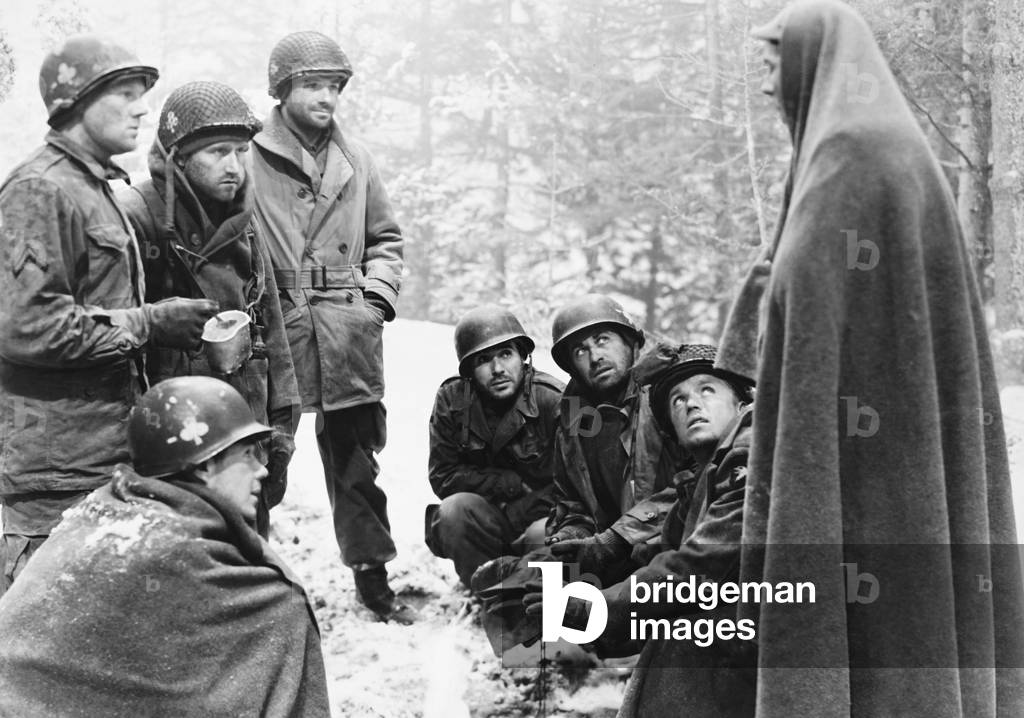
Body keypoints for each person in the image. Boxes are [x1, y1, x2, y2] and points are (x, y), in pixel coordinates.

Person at [715, 1, 1024, 715]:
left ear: (812, 61)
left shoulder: (856, 152)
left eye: (773, 64)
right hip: (887, 442)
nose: (765, 84)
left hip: (872, 448)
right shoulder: (851, 147)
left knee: (880, 614)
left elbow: (812, 290)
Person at [0, 36, 217, 593]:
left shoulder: (93, 188)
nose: (142, 108)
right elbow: (27, 329)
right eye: (125, 93)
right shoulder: (40, 190)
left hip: (100, 459)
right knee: (43, 631)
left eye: (142, 94)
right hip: (56, 473)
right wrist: (151, 324)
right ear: (75, 103)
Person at [0, 376, 330, 717]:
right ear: (204, 465)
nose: (260, 470)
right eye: (246, 455)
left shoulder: (96, 516)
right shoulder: (259, 595)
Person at [250, 30, 408, 622]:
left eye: (334, 86)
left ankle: (373, 576)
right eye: (313, 85)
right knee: (261, 460)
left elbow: (386, 239)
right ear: (282, 88)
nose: (326, 97)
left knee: (357, 463)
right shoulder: (247, 154)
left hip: (347, 327)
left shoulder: (356, 159)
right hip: (279, 326)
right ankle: (249, 580)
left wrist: (376, 300)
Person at [526, 343, 757, 716]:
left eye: (707, 390)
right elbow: (662, 570)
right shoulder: (698, 482)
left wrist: (597, 609)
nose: (691, 404)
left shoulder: (754, 455)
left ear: (741, 403)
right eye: (678, 401)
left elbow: (700, 568)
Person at [118, 80, 300, 538]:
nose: (234, 166)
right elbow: (113, 339)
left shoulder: (245, 222)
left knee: (245, 558)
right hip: (171, 444)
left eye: (241, 151)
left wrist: (281, 430)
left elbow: (272, 330)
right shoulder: (136, 217)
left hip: (242, 434)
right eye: (218, 152)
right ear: (178, 157)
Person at [544, 294, 681, 582]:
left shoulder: (670, 393)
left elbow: (696, 486)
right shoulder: (573, 423)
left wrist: (616, 539)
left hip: (677, 551)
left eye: (603, 340)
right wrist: (572, 533)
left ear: (631, 342)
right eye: (580, 351)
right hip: (615, 559)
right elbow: (571, 503)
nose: (595, 357)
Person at [425, 306, 564, 587]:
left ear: (522, 357)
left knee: (545, 534)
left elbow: (576, 489)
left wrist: (520, 512)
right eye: (483, 359)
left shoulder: (552, 400)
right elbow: (443, 476)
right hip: (490, 518)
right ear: (469, 371)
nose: (497, 369)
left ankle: (536, 597)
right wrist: (507, 483)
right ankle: (487, 593)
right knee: (453, 511)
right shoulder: (453, 401)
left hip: (545, 518)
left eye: (506, 354)